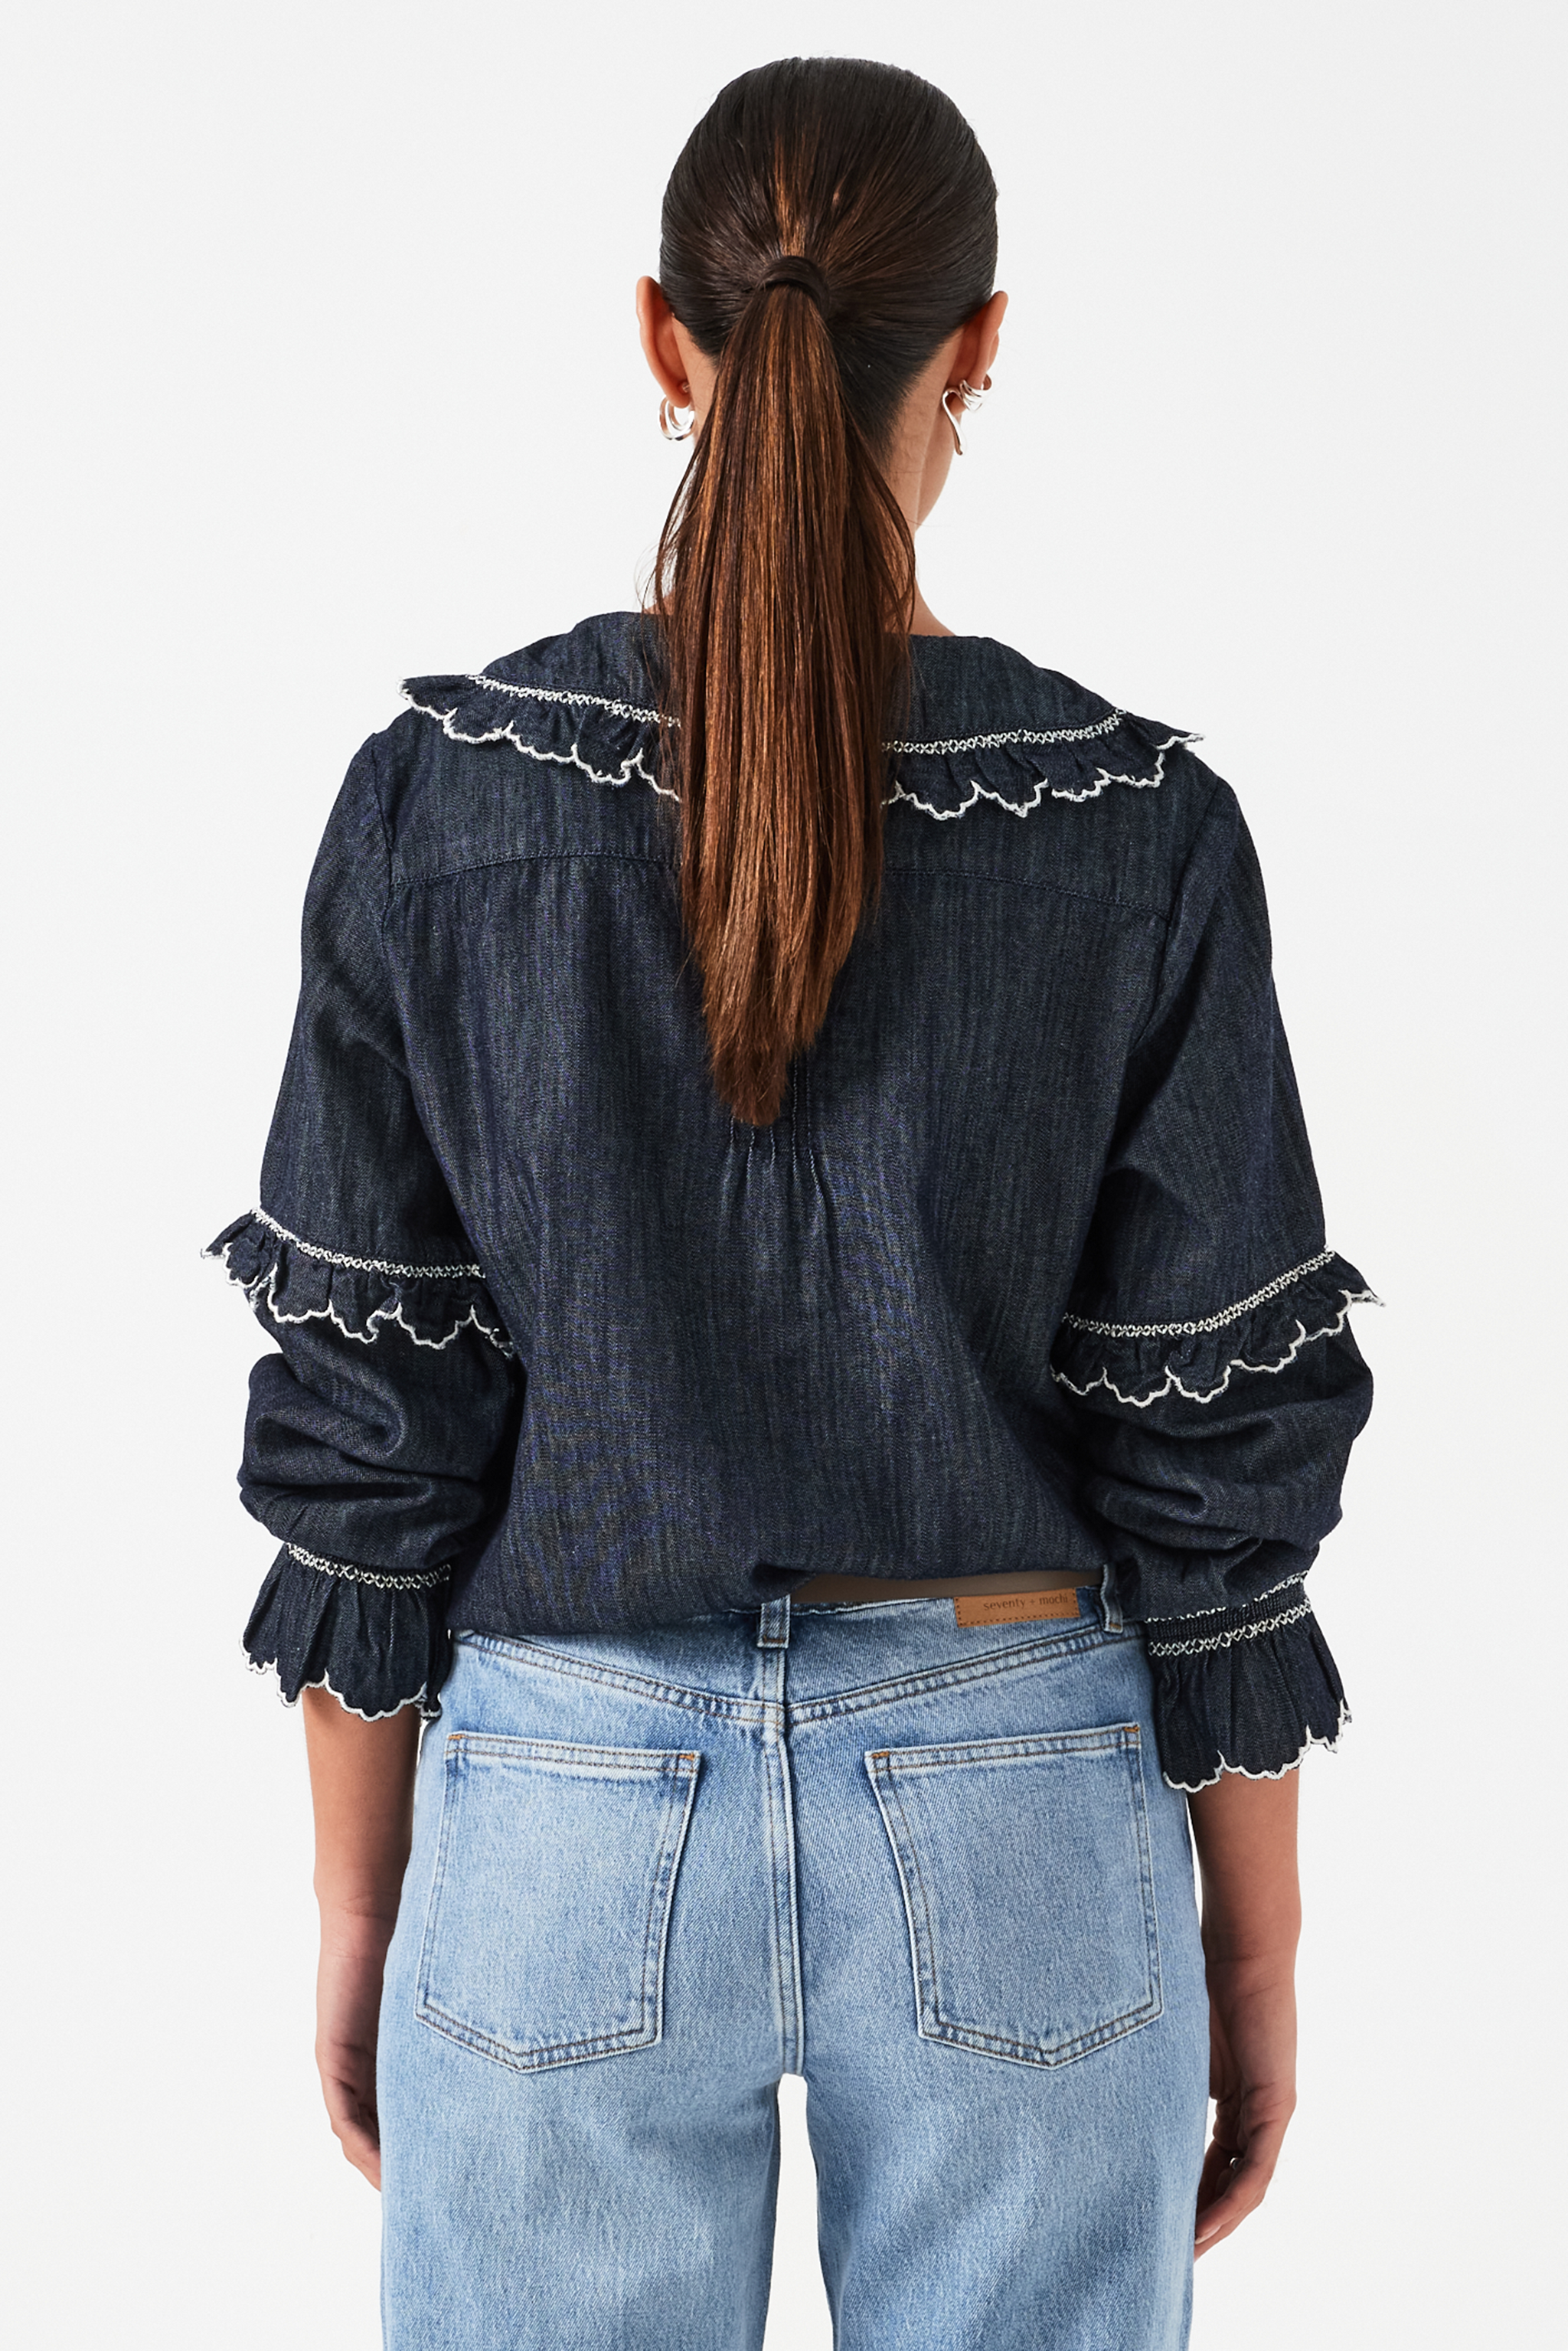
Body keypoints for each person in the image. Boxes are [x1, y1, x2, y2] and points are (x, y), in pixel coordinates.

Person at [208, 55, 1375, 2351]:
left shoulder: (441, 814)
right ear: (982, 341)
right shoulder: (1132, 828)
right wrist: (1257, 1949)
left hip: (557, 1802)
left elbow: (370, 1433)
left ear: (665, 338)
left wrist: (363, 1910)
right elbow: (1216, 1460)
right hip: (1025, 1797)